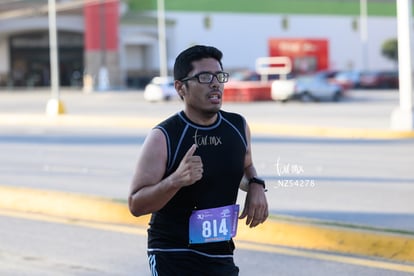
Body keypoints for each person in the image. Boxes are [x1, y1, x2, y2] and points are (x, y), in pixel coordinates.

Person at [128, 45, 268, 275]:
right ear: (180, 87)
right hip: (172, 253)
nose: (215, 83)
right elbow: (136, 204)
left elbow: (245, 166)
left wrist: (256, 184)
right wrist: (175, 181)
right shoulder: (163, 136)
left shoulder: (238, 127)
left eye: (219, 76)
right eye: (204, 77)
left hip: (220, 252)